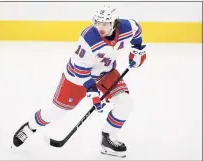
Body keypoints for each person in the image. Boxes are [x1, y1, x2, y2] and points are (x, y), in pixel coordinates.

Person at [12, 4, 146, 158]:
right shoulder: (88, 38)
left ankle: (108, 139)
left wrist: (138, 50)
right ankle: (30, 127)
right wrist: (93, 93)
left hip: (106, 73)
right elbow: (80, 69)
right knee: (57, 112)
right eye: (98, 23)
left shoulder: (128, 27)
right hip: (77, 78)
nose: (101, 27)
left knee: (125, 102)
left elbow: (137, 32)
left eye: (106, 24)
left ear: (115, 23)